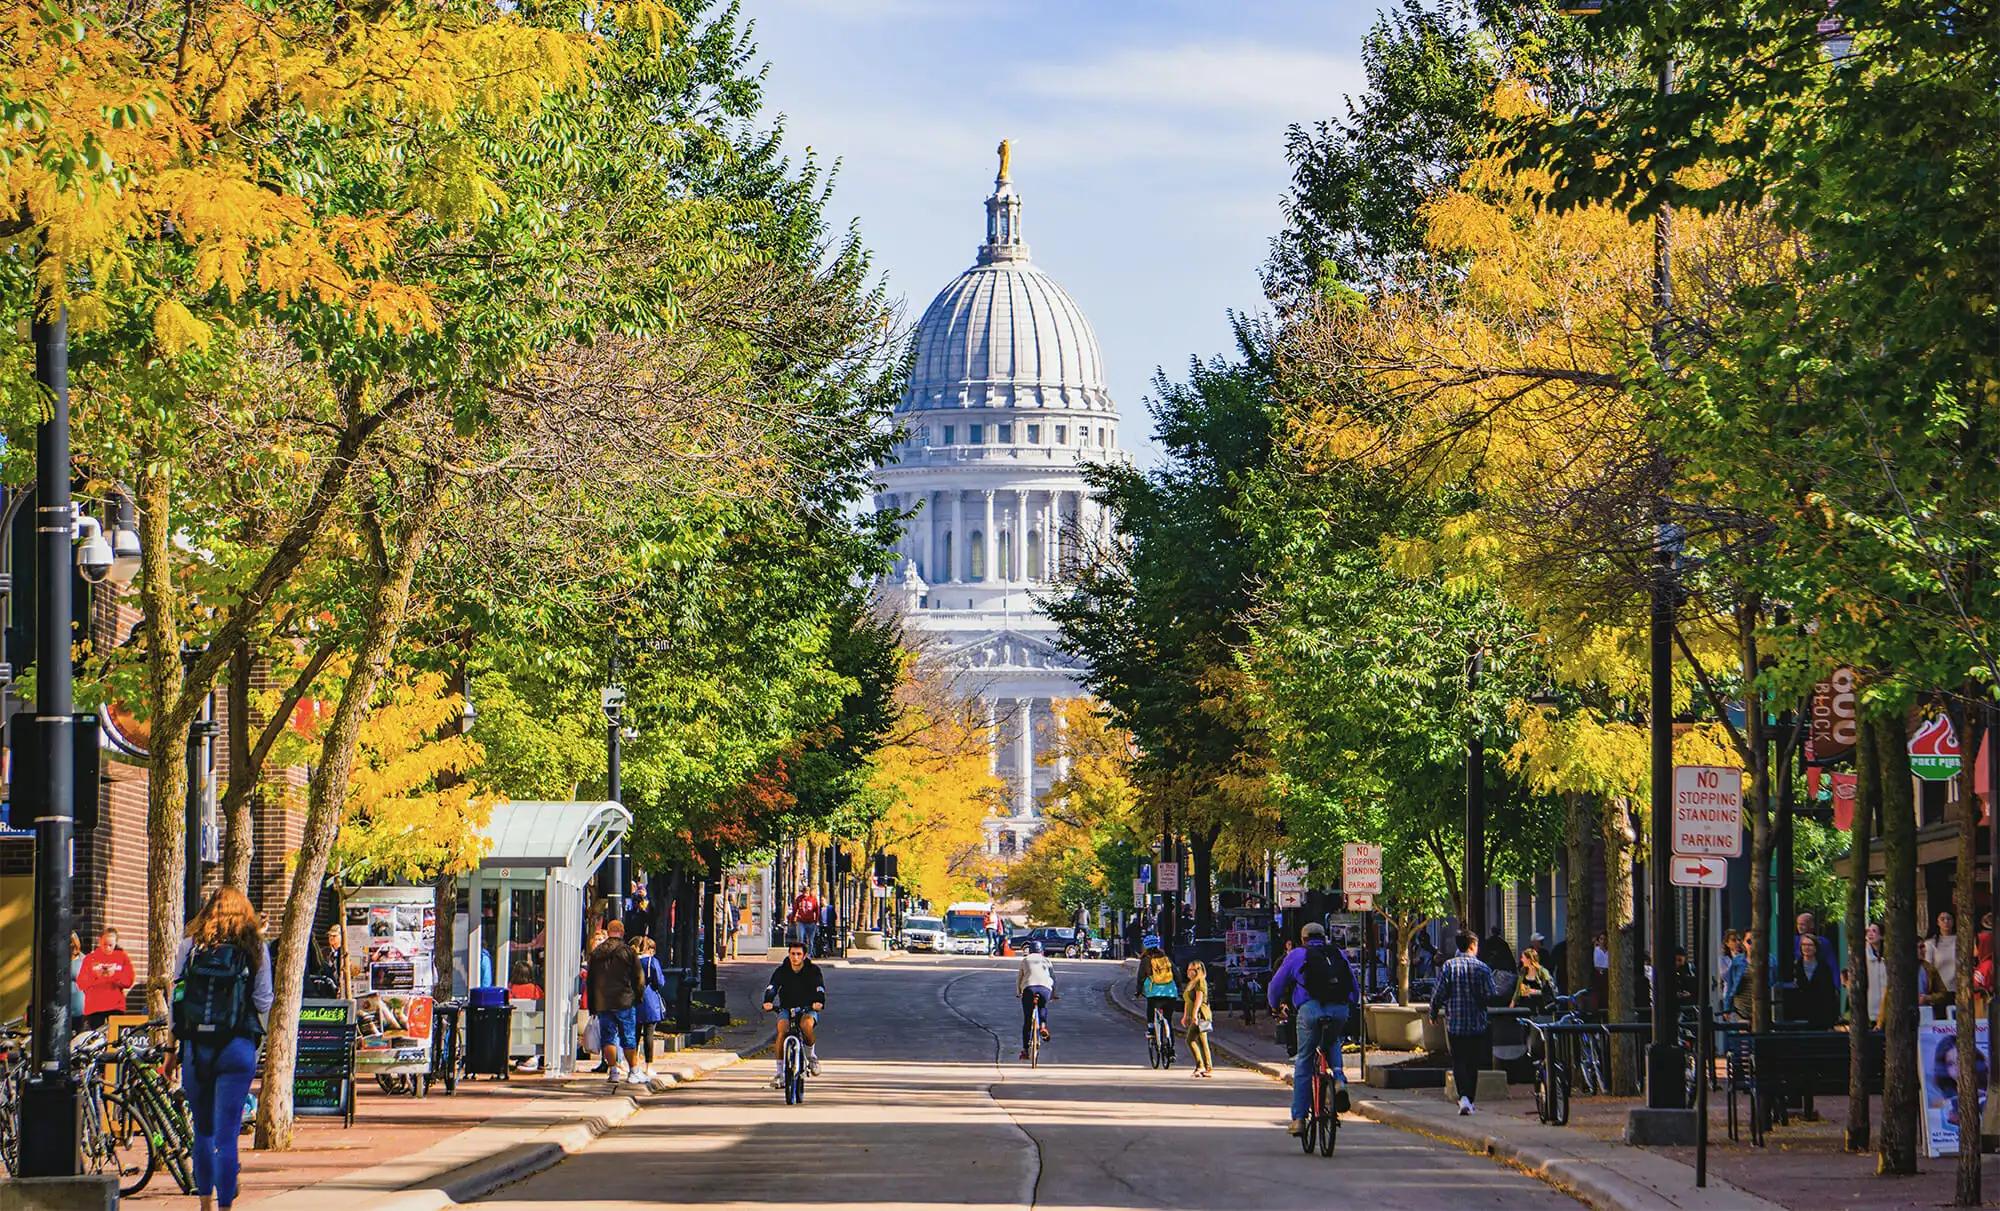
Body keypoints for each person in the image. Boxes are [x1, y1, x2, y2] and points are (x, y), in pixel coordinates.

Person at [174, 887, 273, 1211]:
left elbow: (176, 995)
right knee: (226, 1136)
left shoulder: (190, 946)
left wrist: (172, 1045)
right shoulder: (255, 947)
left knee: (201, 1132)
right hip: (237, 1045)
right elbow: (263, 1000)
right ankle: (226, 1206)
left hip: (195, 1048)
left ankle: (204, 1203)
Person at [1268, 922, 1357, 1134]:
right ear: (1324, 936)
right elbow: (1353, 985)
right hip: (1338, 1010)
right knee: (1333, 1039)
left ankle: (1298, 1119)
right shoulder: (1337, 953)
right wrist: (1351, 1005)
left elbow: (1276, 985)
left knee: (1305, 1060)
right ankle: (1339, 1080)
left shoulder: (1298, 955)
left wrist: (1274, 1006)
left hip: (1310, 1010)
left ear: (1303, 938)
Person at [1431, 931, 1496, 1116]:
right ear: (1473, 946)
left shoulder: (1449, 967)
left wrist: (1433, 1012)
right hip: (1477, 1023)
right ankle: (1470, 1099)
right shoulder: (1483, 968)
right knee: (1473, 1062)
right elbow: (1492, 994)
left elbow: (1439, 993)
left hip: (1455, 1022)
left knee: (1458, 1060)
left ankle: (1464, 1098)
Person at [586, 920, 644, 1086]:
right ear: (622, 931)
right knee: (629, 1037)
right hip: (624, 1000)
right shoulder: (627, 952)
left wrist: (593, 1004)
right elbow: (639, 978)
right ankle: (633, 1071)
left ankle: (613, 1071)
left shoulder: (596, 953)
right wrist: (637, 996)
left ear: (609, 931)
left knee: (608, 1038)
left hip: (603, 1002)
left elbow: (591, 980)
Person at [763, 937, 827, 1087]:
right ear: (788, 954)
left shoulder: (813, 970)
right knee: (781, 1030)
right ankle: (780, 1073)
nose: (795, 957)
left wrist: (819, 1002)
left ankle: (811, 1056)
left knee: (806, 1025)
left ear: (804, 956)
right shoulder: (782, 970)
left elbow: (819, 987)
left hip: (808, 1008)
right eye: (792, 954)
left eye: (798, 954)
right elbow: (772, 986)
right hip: (786, 1008)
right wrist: (768, 1001)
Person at [77, 928, 136, 1029]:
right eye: (105, 944)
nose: (108, 948)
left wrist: (114, 976)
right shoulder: (90, 958)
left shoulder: (122, 957)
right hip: (94, 1007)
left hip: (115, 1007)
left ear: (115, 943)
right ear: (100, 941)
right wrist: (96, 975)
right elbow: (81, 983)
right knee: (96, 1038)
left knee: (115, 1038)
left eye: (111, 945)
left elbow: (129, 981)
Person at [1786, 932, 1839, 1029]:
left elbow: (1829, 993)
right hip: (1800, 1014)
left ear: (1816, 947)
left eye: (1810, 945)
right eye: (1804, 945)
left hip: (1820, 1014)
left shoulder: (1824, 967)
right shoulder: (1795, 966)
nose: (1806, 947)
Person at [634, 936, 667, 1083]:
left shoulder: (632, 961)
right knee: (649, 1035)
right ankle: (648, 1065)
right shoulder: (652, 962)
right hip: (649, 999)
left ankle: (633, 1066)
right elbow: (659, 981)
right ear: (651, 949)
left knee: (634, 1035)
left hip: (634, 1000)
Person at [1016, 940, 1055, 1060]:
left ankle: (1025, 1051)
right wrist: (1054, 994)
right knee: (1042, 1007)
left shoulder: (1025, 960)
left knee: (1027, 1021)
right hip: (1045, 989)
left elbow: (1019, 978)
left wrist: (1018, 992)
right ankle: (1043, 1026)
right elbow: (1053, 978)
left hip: (1029, 989)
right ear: (1041, 950)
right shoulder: (1047, 960)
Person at [1182, 958, 1214, 1077]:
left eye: (1191, 969)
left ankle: (1202, 1066)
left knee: (1193, 1039)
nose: (1188, 971)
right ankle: (1205, 1066)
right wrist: (1185, 1016)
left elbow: (1199, 999)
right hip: (1194, 1015)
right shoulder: (1191, 983)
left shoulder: (1200, 981)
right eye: (1188, 969)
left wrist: (1195, 1014)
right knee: (1199, 1040)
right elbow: (1187, 1001)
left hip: (1201, 1015)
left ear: (1197, 970)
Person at [305, 925, 350, 1000]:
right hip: (327, 990)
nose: (331, 938)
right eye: (329, 936)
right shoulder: (323, 952)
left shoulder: (344, 954)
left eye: (334, 936)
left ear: (341, 937)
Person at [1926, 908, 1959, 1002]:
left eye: (1949, 919)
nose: (1946, 921)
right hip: (1939, 991)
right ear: (1938, 922)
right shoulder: (1930, 943)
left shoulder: (1961, 941)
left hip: (1958, 988)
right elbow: (1928, 968)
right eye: (1942, 919)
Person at [1513, 945, 1556, 1012]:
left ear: (1530, 959)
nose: (1521, 960)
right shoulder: (1523, 971)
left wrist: (1533, 991)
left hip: (1541, 1009)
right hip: (1525, 1008)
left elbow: (1550, 991)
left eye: (1523, 958)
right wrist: (1512, 1004)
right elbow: (1518, 990)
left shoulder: (1543, 972)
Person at [790, 887, 821, 958]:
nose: (805, 893)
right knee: (800, 938)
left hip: (811, 922)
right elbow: (795, 909)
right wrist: (792, 919)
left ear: (809, 892)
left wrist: (816, 920)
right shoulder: (799, 899)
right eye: (804, 892)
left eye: (807, 892)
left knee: (810, 940)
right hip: (801, 921)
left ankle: (809, 954)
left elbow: (817, 910)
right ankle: (801, 953)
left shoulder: (813, 899)